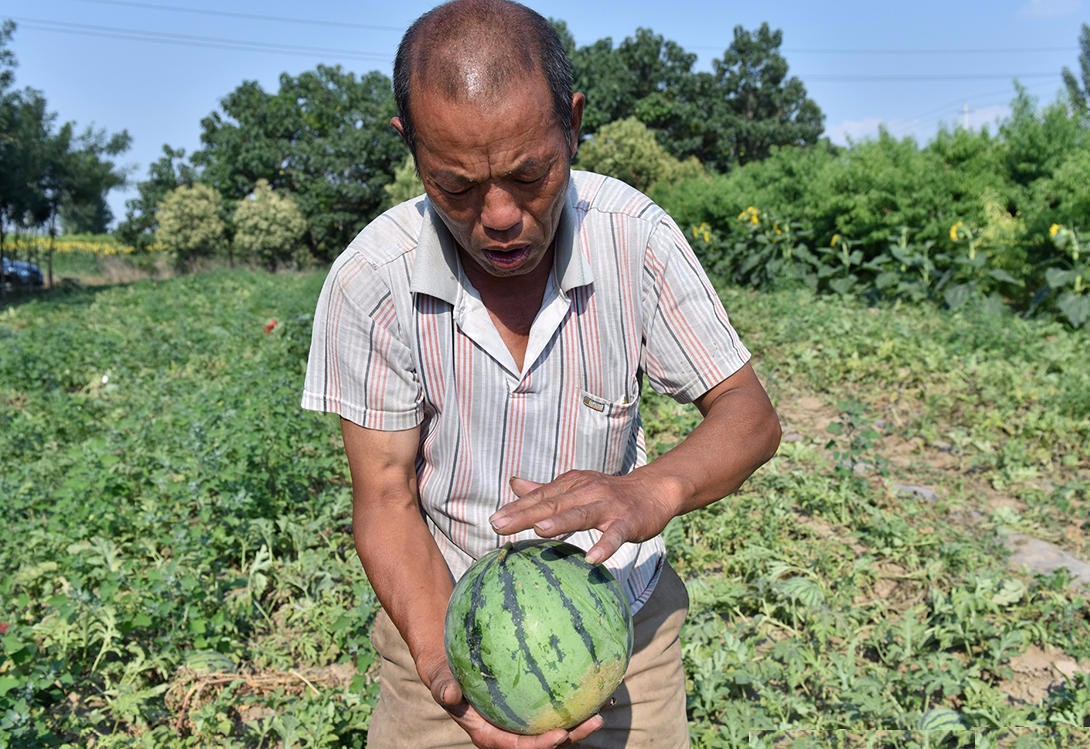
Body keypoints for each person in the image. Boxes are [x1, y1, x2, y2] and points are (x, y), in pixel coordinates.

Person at [301, 1, 781, 746]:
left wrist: (646, 489)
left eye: (531, 175)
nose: (498, 214)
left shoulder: (636, 241)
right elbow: (386, 497)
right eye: (455, 185)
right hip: (444, 624)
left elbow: (748, 412)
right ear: (411, 147)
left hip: (624, 639)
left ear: (574, 123)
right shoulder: (373, 280)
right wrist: (457, 685)